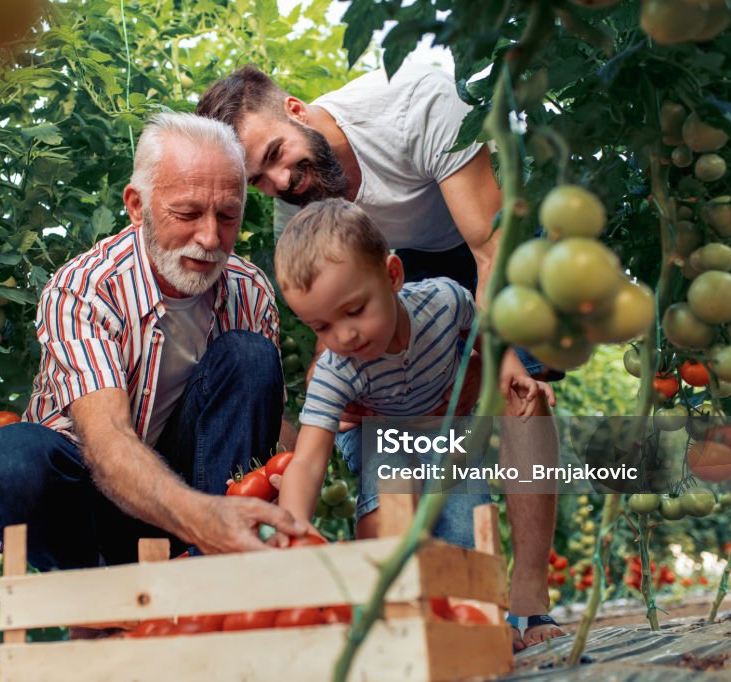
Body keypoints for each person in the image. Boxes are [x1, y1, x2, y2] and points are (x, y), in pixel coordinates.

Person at [197, 63, 563, 649]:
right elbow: (330, 319)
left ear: (295, 109)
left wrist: (504, 366)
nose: (282, 181)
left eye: (276, 155)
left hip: (487, 235)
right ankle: (445, 599)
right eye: (259, 181)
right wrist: (330, 410)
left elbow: (490, 256)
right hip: (387, 269)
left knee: (520, 403)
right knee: (412, 428)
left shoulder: (416, 105)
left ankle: (531, 599)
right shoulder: (302, 199)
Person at [0, 113, 306, 578]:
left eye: (228, 215)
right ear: (136, 205)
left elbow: (263, 432)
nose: (210, 238)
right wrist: (204, 517)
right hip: (93, 507)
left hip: (199, 507)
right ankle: (91, 603)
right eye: (187, 214)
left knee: (250, 356)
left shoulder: (248, 289)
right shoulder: (85, 289)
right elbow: (108, 445)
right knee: (10, 459)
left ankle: (216, 580)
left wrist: (322, 435)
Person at [273, 198, 543, 543]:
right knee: (391, 482)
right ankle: (383, 575)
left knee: (465, 525)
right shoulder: (336, 370)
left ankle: (470, 592)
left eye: (355, 310)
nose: (344, 336)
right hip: (376, 432)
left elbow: (484, 335)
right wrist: (293, 527)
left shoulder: (443, 301)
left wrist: (514, 371)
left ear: (392, 276)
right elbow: (308, 462)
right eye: (321, 327)